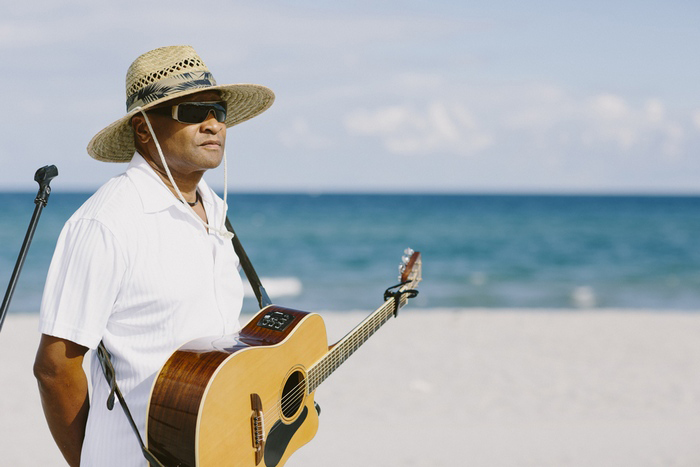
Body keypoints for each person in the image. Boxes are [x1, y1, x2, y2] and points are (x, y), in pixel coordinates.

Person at [33, 45, 275, 466]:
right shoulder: (107, 222)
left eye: (218, 110)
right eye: (193, 111)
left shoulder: (214, 208)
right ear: (143, 129)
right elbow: (55, 369)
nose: (213, 123)